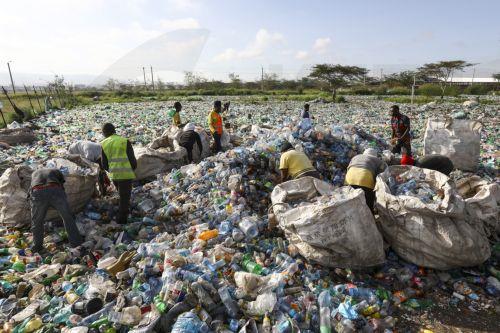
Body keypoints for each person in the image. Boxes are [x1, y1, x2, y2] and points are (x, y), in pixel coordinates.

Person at [30, 168, 83, 253]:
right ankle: (76, 244)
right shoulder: (55, 171)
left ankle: (37, 247)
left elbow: (31, 191)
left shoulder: (34, 173)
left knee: (37, 222)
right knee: (67, 218)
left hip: (38, 191)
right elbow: (62, 185)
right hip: (54, 189)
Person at [101, 123, 137, 224]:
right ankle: (121, 221)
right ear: (114, 130)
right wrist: (132, 169)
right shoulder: (124, 141)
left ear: (104, 133)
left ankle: (125, 212)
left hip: (114, 175)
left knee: (122, 196)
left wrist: (112, 171)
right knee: (124, 198)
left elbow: (104, 164)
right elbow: (132, 161)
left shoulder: (104, 143)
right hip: (126, 175)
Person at [345, 148, 387, 213]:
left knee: (351, 200)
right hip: (365, 179)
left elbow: (348, 168)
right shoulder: (378, 160)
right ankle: (369, 218)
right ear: (375, 155)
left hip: (349, 178)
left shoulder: (356, 157)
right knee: (368, 201)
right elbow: (381, 174)